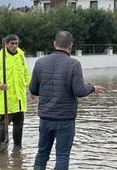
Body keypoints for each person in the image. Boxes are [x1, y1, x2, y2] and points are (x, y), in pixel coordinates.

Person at [30, 31, 107, 170]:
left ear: (54, 44)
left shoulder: (40, 62)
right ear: (71, 45)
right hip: (65, 119)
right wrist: (92, 87)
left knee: (42, 153)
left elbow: (33, 89)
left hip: (46, 118)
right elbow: (79, 91)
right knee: (62, 156)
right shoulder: (74, 64)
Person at [0, 34, 31, 151]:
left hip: (20, 99)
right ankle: (1, 149)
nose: (14, 46)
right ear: (6, 44)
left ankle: (17, 148)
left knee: (19, 126)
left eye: (16, 43)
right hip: (6, 100)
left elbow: (26, 73)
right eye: (12, 43)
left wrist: (25, 85)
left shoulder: (21, 56)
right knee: (2, 126)